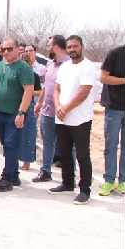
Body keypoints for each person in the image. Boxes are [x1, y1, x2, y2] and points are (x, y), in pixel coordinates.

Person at [49, 35, 97, 205]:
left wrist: (66, 109)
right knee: (64, 153)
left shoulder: (88, 67)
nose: (72, 50)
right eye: (69, 47)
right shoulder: (65, 67)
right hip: (62, 119)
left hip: (80, 119)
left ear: (82, 47)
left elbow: (83, 93)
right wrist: (58, 107)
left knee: (82, 156)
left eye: (75, 46)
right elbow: (57, 89)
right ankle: (68, 183)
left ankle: (85, 190)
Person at [0, 37, 34, 192]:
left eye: (10, 49)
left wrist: (21, 112)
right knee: (7, 145)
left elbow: (28, 91)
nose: (6, 52)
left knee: (11, 144)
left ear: (17, 49)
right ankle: (14, 175)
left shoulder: (23, 67)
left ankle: (6, 178)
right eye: (4, 49)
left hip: (14, 113)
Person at [32, 35, 71, 183]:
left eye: (49, 45)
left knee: (68, 145)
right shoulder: (50, 65)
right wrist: (39, 103)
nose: (47, 48)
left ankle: (69, 176)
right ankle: (45, 171)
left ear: (55, 47)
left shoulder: (70, 65)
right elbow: (46, 87)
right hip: (47, 111)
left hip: (63, 113)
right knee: (47, 143)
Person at [99, 44, 125, 195]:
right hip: (114, 107)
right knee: (111, 146)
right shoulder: (115, 53)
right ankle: (109, 180)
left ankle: (123, 181)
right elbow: (103, 77)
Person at [18, 51, 42, 171]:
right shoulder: (15, 74)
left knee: (28, 134)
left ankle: (27, 161)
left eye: (26, 62)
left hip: (30, 106)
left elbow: (40, 92)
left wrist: (29, 92)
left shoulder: (34, 75)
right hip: (16, 104)